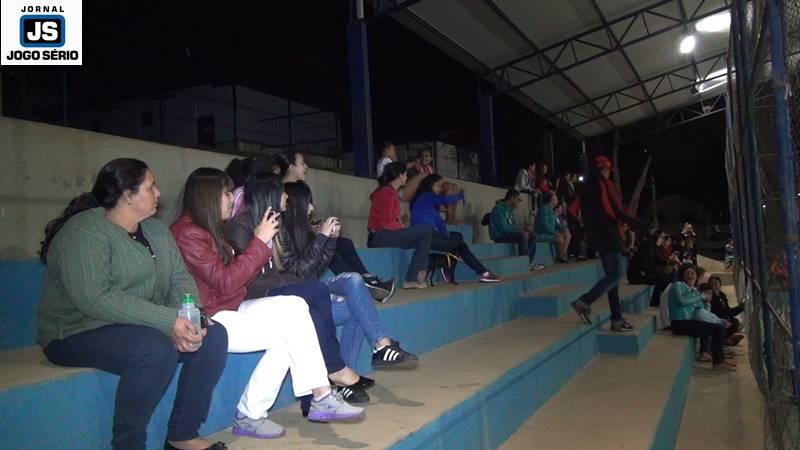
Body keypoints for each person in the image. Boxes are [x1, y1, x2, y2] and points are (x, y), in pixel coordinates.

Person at [37, 159, 229, 450]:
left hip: (136, 325)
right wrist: (168, 321)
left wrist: (192, 316)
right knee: (154, 349)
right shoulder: (85, 232)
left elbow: (179, 279)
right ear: (128, 195)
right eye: (151, 187)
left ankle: (182, 435)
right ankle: (128, 445)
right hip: (76, 331)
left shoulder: (156, 231)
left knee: (213, 336)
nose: (159, 193)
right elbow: (95, 298)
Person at [171, 168, 364, 439]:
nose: (232, 198)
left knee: (295, 308)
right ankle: (259, 412)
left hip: (231, 304)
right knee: (290, 327)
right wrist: (260, 242)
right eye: (227, 194)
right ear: (208, 196)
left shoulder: (211, 228)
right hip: (213, 314)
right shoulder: (189, 233)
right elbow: (226, 282)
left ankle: (319, 396)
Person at [223, 173, 373, 405]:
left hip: (277, 289)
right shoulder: (239, 226)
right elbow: (250, 278)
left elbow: (299, 269)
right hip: (254, 295)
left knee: (311, 311)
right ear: (270, 195)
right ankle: (335, 368)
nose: (286, 196)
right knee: (316, 291)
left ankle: (312, 400)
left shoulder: (278, 224)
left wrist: (328, 240)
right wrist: (292, 272)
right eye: (281, 191)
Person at [280, 181, 420, 369]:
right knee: (356, 294)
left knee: (356, 291)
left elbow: (317, 268)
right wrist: (321, 238)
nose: (312, 208)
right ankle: (379, 347)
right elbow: (299, 273)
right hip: (298, 297)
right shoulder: (280, 233)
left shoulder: (303, 231)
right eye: (309, 203)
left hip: (313, 289)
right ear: (296, 204)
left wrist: (331, 240)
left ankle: (353, 369)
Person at [568, 156, 646, 332]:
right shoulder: (603, 185)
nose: (609, 173)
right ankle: (584, 301)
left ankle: (616, 319)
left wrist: (581, 233)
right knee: (615, 276)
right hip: (609, 236)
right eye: (608, 170)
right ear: (603, 170)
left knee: (612, 278)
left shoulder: (583, 187)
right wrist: (639, 225)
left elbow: (571, 210)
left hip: (597, 238)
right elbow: (616, 211)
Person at [411, 174, 502, 283]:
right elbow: (445, 199)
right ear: (431, 185)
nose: (440, 189)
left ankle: (450, 264)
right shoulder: (426, 196)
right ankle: (483, 273)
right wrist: (460, 195)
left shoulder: (429, 203)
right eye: (438, 186)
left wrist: (447, 238)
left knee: (457, 237)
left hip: (431, 235)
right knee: (461, 244)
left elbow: (439, 223)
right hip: (424, 237)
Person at [368, 162, 434, 288]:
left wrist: (401, 224)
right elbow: (386, 223)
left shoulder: (389, 192)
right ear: (399, 175)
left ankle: (416, 275)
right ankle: (415, 275)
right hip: (381, 236)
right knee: (426, 231)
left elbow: (389, 220)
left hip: (386, 234)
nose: (406, 177)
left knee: (423, 239)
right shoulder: (387, 192)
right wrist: (402, 227)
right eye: (405, 174)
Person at [667, 264, 735, 371]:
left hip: (690, 321)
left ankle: (720, 359)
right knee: (717, 329)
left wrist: (718, 319)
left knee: (719, 327)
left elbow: (702, 310)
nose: (690, 275)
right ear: (682, 275)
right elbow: (682, 302)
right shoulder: (677, 285)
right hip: (679, 323)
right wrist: (700, 297)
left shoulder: (694, 290)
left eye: (692, 273)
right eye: (687, 273)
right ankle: (717, 362)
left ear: (696, 276)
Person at [489, 189, 545, 271]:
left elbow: (513, 225)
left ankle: (530, 261)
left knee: (533, 235)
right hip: (499, 235)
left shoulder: (509, 210)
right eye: (517, 199)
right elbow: (503, 228)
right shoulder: (498, 209)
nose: (518, 202)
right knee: (522, 235)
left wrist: (523, 229)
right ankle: (523, 262)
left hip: (507, 233)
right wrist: (521, 231)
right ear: (512, 198)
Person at [534, 192, 571, 263]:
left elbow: (556, 224)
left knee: (567, 234)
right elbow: (545, 225)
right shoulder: (544, 209)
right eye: (556, 199)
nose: (557, 200)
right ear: (551, 200)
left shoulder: (551, 210)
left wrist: (563, 228)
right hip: (541, 234)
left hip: (549, 233)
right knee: (559, 238)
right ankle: (559, 257)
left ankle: (563, 254)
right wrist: (555, 233)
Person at [709, 275, 745, 346]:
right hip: (716, 320)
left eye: (716, 283)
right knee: (731, 324)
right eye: (712, 284)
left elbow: (727, 311)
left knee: (735, 321)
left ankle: (728, 338)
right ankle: (726, 339)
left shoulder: (722, 295)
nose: (714, 286)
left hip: (724, 318)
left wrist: (740, 307)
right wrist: (740, 308)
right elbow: (723, 312)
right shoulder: (710, 297)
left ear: (720, 285)